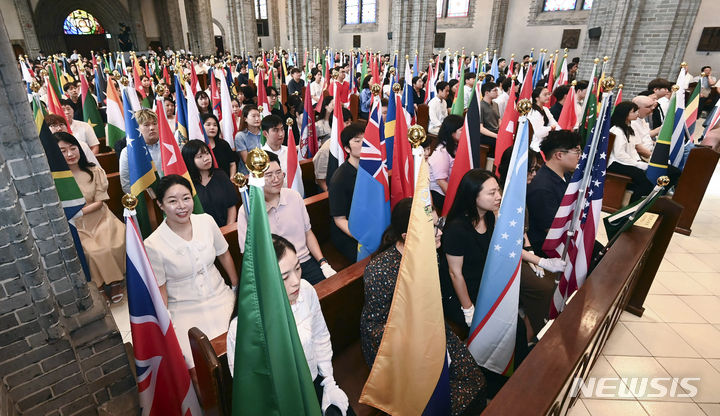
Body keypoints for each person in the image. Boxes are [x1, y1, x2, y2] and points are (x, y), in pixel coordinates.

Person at [361, 198, 487, 415]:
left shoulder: (430, 253)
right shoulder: (380, 271)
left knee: (474, 381)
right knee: (438, 403)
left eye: (439, 224)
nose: (439, 232)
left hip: (429, 326)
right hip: (396, 345)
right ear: (407, 237)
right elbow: (375, 327)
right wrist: (417, 340)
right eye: (432, 228)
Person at [227, 235, 352, 416]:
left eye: (298, 268)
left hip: (313, 381)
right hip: (277, 404)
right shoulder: (242, 328)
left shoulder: (306, 290)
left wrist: (329, 383)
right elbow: (250, 385)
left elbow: (320, 337)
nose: (295, 281)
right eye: (285, 276)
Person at [441, 170, 564, 329]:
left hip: (484, 281)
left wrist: (542, 261)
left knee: (515, 325)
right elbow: (455, 273)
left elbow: (504, 246)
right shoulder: (457, 229)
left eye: (498, 190)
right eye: (492, 193)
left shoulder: (489, 216)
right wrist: (468, 308)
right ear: (473, 196)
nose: (498, 196)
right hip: (462, 291)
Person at [144, 174, 238, 368]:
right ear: (160, 204)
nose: (182, 206)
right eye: (172, 201)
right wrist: (167, 324)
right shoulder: (152, 244)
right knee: (196, 362)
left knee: (241, 343)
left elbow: (224, 255)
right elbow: (161, 289)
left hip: (221, 297)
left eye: (186, 198)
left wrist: (237, 287)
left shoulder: (206, 221)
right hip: (184, 309)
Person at [238, 152, 336, 284]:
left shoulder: (294, 197)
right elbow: (248, 254)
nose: (276, 179)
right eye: (269, 175)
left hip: (303, 261)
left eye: (279, 172)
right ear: (257, 178)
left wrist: (323, 262)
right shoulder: (248, 210)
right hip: (275, 271)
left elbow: (308, 233)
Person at [55, 132, 126, 303]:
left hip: (101, 218)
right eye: (63, 151)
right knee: (90, 252)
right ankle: (98, 286)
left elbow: (100, 201)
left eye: (73, 148)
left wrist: (79, 212)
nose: (70, 154)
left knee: (109, 246)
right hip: (76, 225)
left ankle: (116, 281)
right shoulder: (56, 179)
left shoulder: (94, 171)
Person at [526, 130, 581, 255]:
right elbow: (553, 231)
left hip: (568, 234)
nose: (580, 156)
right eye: (577, 151)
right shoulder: (542, 188)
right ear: (559, 155)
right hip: (549, 247)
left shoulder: (566, 175)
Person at [328, 122, 364, 263]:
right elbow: (339, 219)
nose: (364, 143)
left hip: (369, 224)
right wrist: (361, 237)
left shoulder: (373, 169)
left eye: (365, 139)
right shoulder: (339, 179)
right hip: (348, 232)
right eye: (357, 141)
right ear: (347, 148)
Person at [181, 140, 238, 227]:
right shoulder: (186, 184)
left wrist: (228, 228)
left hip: (226, 229)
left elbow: (231, 206)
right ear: (190, 160)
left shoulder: (221, 175)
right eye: (200, 156)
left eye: (207, 153)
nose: (206, 158)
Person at [608, 101, 655, 203]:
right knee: (644, 182)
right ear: (625, 114)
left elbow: (632, 149)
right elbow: (619, 154)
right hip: (616, 162)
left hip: (627, 161)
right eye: (634, 112)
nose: (637, 114)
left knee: (647, 177)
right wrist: (636, 164)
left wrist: (638, 161)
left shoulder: (629, 128)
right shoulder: (617, 131)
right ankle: (632, 208)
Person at [119, 109, 164, 194]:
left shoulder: (168, 146)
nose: (152, 128)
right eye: (146, 125)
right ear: (137, 129)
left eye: (154, 124)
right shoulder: (127, 153)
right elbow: (126, 184)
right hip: (145, 198)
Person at [261, 114, 304, 196]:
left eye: (282, 129)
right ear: (265, 133)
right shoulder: (260, 156)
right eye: (276, 130)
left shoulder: (289, 151)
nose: (281, 134)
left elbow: (298, 176)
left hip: (293, 195)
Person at [428, 114, 463, 211]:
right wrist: (456, 201)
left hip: (451, 188)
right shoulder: (442, 152)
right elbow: (441, 181)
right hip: (439, 193)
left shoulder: (455, 147)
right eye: (461, 130)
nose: (465, 133)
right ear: (452, 133)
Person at [313, 107, 352, 192]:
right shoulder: (326, 149)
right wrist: (331, 195)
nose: (349, 125)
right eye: (346, 122)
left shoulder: (351, 143)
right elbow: (320, 179)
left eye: (350, 122)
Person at [201, 113, 238, 178]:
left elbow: (232, 164)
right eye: (208, 125)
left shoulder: (223, 144)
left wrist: (231, 179)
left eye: (215, 125)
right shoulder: (198, 146)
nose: (212, 127)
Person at [234, 104, 263, 174]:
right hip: (248, 174)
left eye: (258, 116)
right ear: (245, 119)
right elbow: (247, 160)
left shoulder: (264, 133)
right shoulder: (240, 136)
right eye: (253, 116)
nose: (257, 119)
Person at [528, 86, 557, 152]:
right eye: (545, 95)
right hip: (535, 145)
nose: (548, 96)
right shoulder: (533, 112)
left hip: (544, 141)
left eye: (549, 94)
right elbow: (538, 132)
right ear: (537, 98)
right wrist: (551, 128)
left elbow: (554, 123)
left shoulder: (545, 109)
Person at [478, 81, 500, 156]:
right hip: (485, 135)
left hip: (496, 132)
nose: (497, 92)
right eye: (495, 90)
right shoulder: (480, 106)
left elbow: (499, 121)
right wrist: (497, 136)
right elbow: (481, 128)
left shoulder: (495, 104)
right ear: (487, 93)